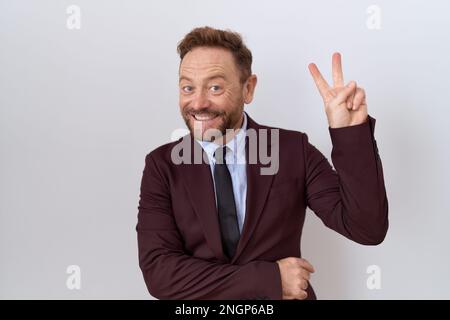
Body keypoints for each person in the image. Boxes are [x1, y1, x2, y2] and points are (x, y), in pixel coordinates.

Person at [136, 26, 388, 300]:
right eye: (188, 87)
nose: (198, 102)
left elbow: (367, 229)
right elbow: (160, 273)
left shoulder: (293, 151)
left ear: (248, 89)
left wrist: (350, 134)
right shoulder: (162, 166)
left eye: (215, 87)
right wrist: (271, 280)